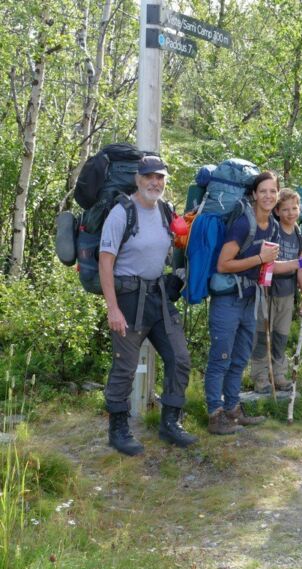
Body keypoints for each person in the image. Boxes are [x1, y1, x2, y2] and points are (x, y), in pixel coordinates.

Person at [206, 172, 302, 434]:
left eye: (273, 191)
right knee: (221, 358)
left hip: (250, 298)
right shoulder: (243, 224)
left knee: (240, 357)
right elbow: (224, 264)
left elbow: (270, 265)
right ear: (255, 194)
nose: (269, 196)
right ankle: (215, 415)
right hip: (228, 299)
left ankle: (233, 409)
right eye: (264, 191)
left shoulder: (271, 226)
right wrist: (259, 258)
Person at [99, 155, 196, 456]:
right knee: (125, 367)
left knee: (180, 358)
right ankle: (119, 430)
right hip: (128, 298)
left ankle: (170, 424)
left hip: (159, 296)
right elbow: (105, 262)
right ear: (138, 180)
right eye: (149, 177)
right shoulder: (121, 213)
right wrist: (112, 308)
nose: (155, 182)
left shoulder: (166, 211)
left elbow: (176, 245)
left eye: (160, 177)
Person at [257, 188, 302, 393]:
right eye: (285, 209)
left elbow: (301, 269)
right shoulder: (273, 231)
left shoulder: (300, 237)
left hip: (287, 293)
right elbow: (269, 262)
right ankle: (261, 377)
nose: (291, 213)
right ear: (277, 211)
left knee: (280, 335)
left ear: (300, 209)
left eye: (294, 208)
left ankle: (278, 375)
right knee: (263, 334)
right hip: (267, 291)